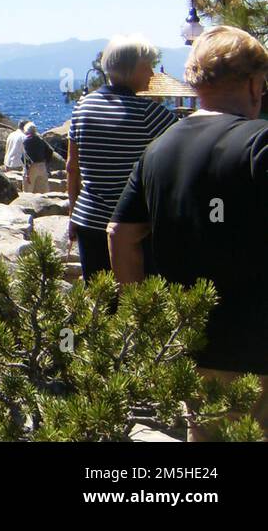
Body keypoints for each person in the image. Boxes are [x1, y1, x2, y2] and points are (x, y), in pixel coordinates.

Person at [108, 26, 268, 440]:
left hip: (187, 344)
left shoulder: (158, 149)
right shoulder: (258, 143)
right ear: (254, 83)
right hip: (256, 348)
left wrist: (145, 320)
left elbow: (121, 236)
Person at [66, 34, 175, 279]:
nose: (152, 74)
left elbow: (72, 167)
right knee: (137, 304)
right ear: (131, 69)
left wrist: (73, 214)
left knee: (99, 301)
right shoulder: (149, 114)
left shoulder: (83, 107)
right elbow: (182, 148)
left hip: (89, 218)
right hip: (134, 225)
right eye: (148, 66)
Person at [21, 122, 52, 194]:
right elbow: (50, 151)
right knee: (43, 191)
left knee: (28, 191)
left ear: (26, 131)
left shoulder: (27, 141)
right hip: (42, 166)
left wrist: (27, 173)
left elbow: (26, 157)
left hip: (31, 167)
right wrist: (46, 162)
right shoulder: (40, 140)